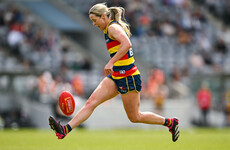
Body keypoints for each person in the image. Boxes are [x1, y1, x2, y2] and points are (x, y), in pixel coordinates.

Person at [48, 3, 180, 142]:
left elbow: (127, 43)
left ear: (104, 16)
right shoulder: (108, 29)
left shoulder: (112, 27)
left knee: (135, 117)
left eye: (95, 20)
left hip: (129, 77)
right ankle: (65, 130)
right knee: (91, 103)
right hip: (116, 75)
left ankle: (170, 122)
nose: (93, 24)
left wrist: (111, 62)